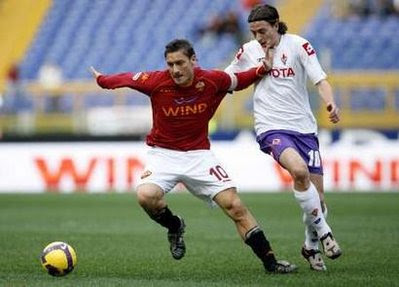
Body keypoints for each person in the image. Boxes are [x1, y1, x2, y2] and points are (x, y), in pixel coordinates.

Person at [91, 38, 297, 274]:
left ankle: (271, 262)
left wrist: (261, 70)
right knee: (146, 196)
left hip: (200, 156)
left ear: (193, 60)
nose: (175, 70)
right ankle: (175, 225)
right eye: (170, 64)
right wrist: (102, 80)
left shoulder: (212, 80)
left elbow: (239, 81)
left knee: (235, 206)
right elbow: (126, 79)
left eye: (180, 63)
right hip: (163, 155)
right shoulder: (156, 81)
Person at [225, 5, 342, 271]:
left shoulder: (299, 46)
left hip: (304, 129)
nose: (258, 38)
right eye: (254, 32)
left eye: (262, 31)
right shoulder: (249, 51)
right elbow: (228, 77)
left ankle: (310, 247)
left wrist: (331, 103)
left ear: (276, 25)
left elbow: (320, 80)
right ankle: (325, 234)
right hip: (271, 128)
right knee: (299, 171)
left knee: (319, 200)